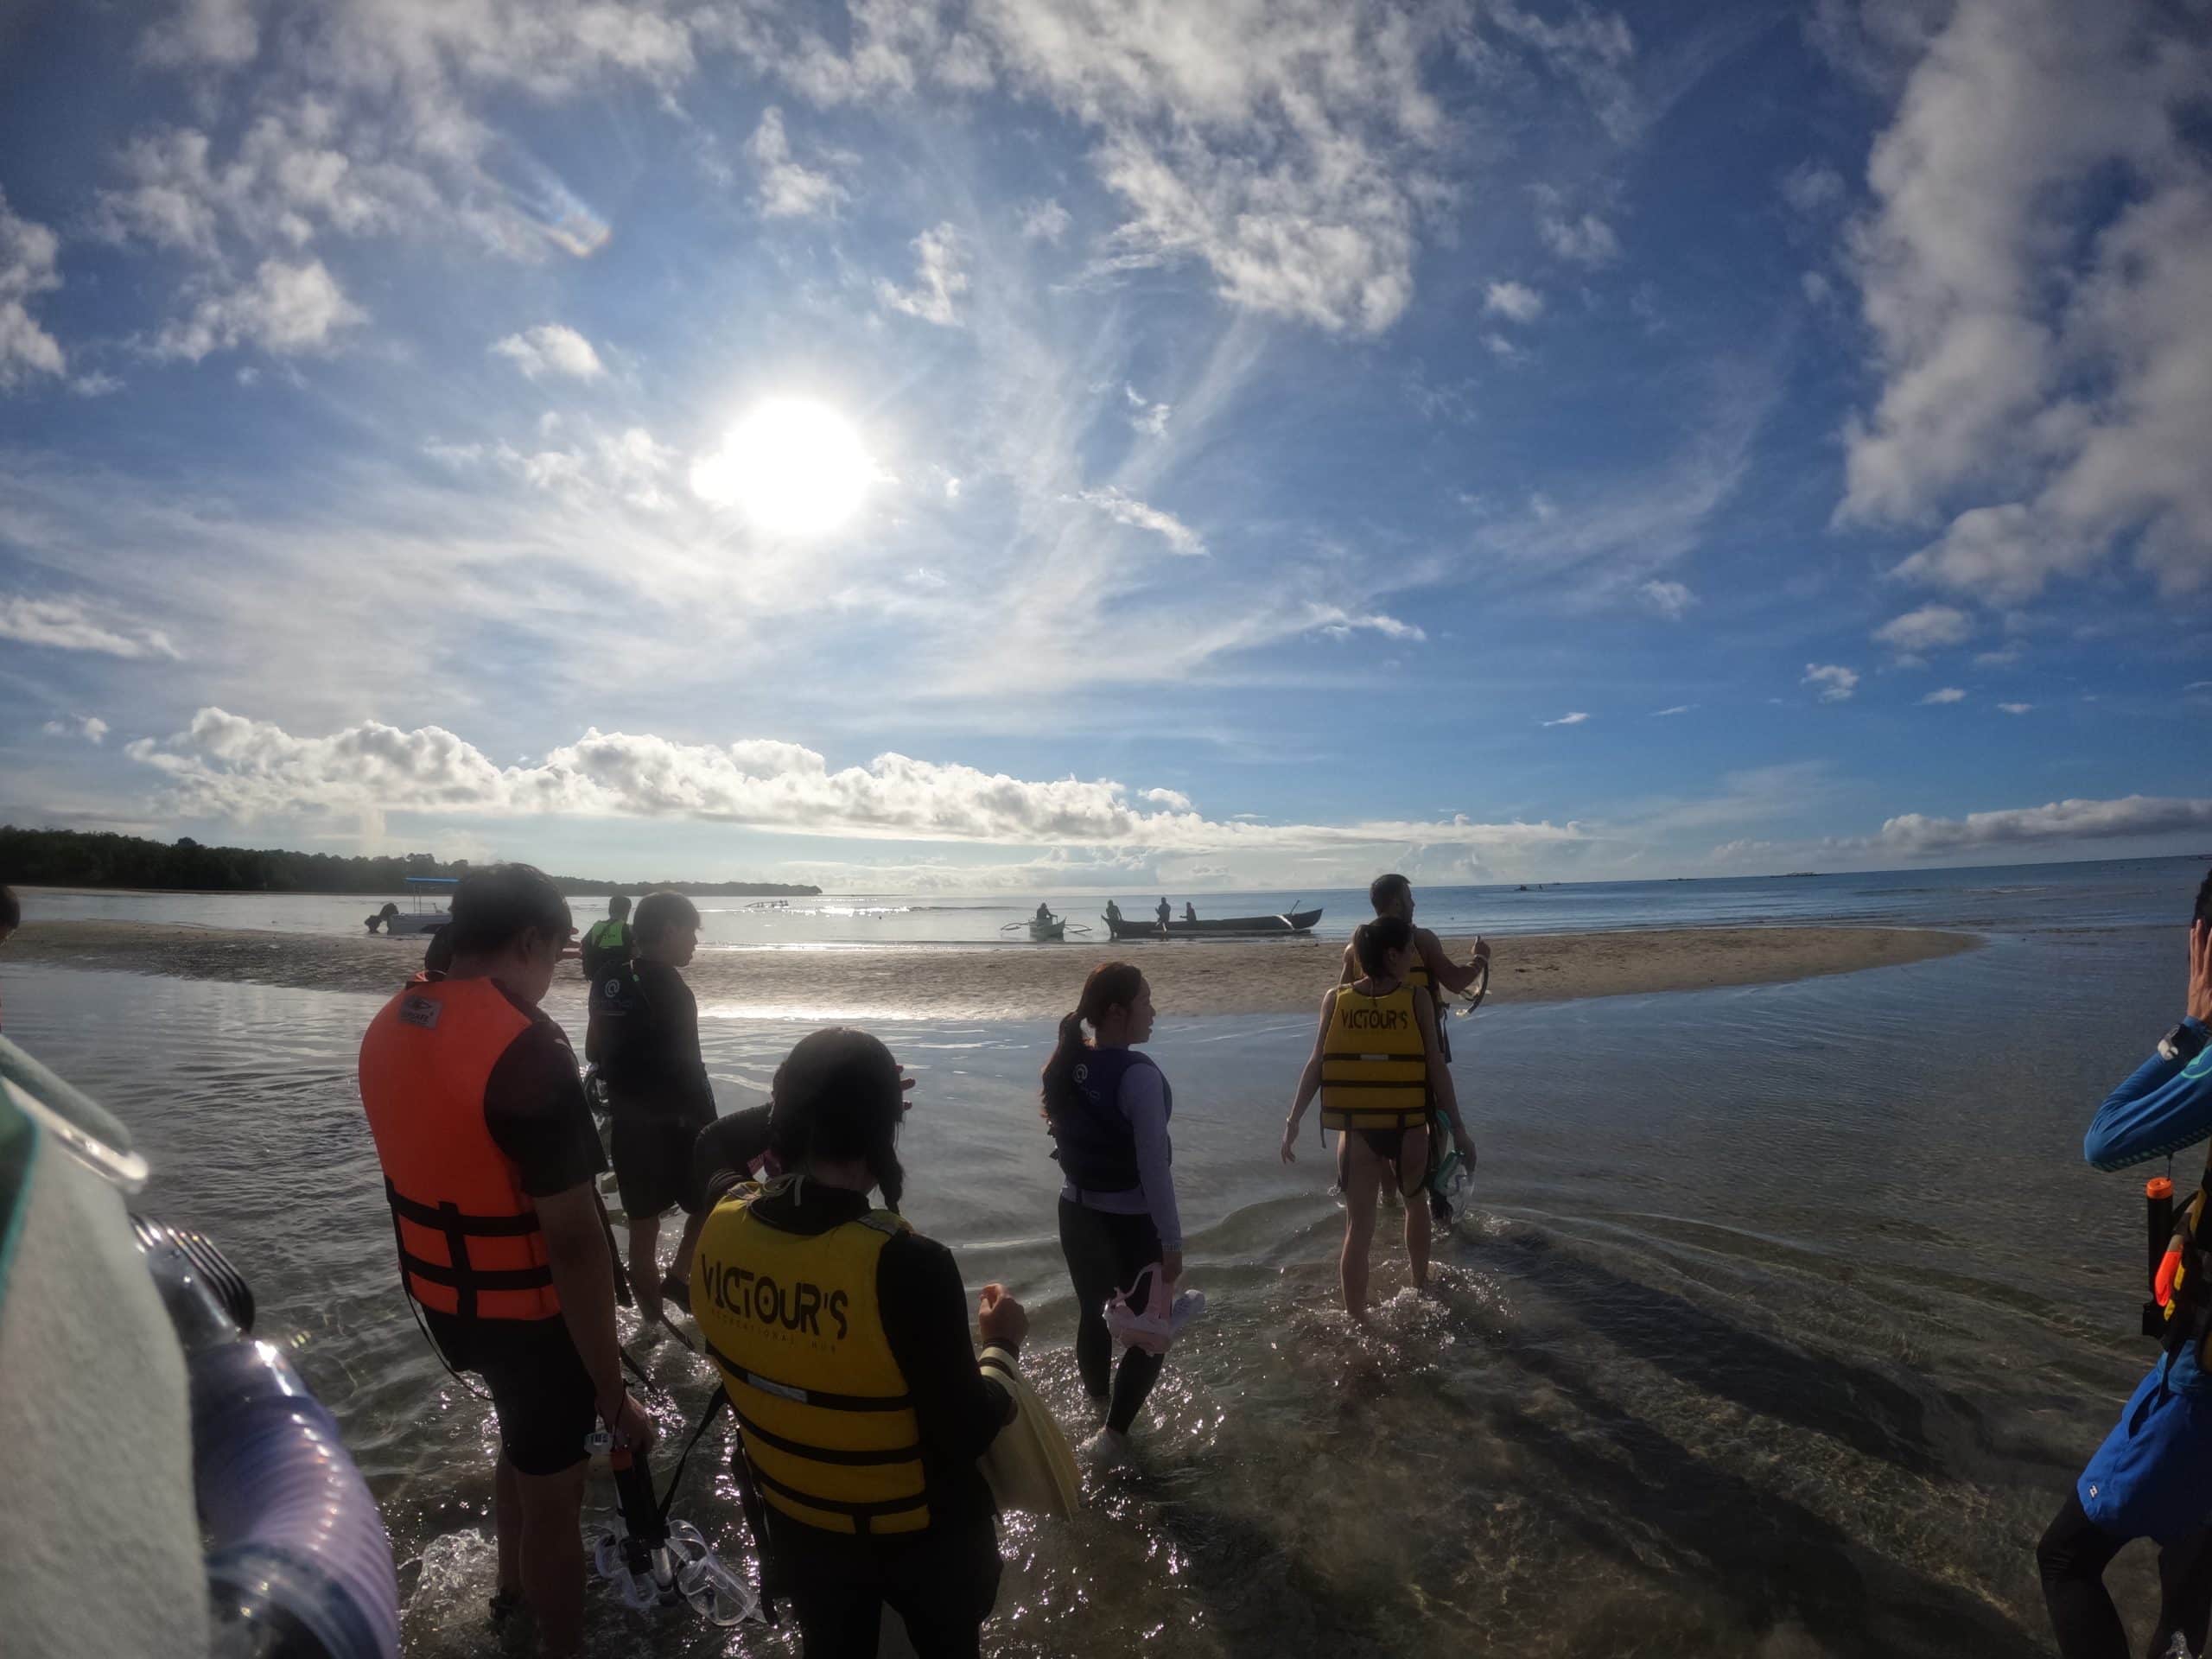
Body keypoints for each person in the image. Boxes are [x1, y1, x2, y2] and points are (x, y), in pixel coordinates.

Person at [356, 863, 651, 1659]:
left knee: (522, 1444)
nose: (555, 976)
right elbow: (576, 1241)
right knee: (557, 1504)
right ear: (529, 941)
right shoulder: (527, 1050)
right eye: (557, 956)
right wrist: (613, 1393)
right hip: (527, 1321)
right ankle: (558, 1647)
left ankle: (506, 1598)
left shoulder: (396, 1017)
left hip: (447, 1305)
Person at [691, 1027, 1027, 1657]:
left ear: (783, 1121)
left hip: (803, 1532)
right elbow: (965, 1430)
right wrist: (1002, 1349)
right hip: (918, 1545)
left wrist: (811, 1098)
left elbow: (712, 1143)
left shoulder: (725, 1213)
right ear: (881, 1131)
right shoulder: (908, 1264)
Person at [2038, 873, 2212, 1659]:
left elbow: (2104, 1138)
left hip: (2202, 1384)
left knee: (2067, 1556)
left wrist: (2192, 1028)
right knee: (2192, 1557)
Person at [1281, 914, 1476, 1319]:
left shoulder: (1335, 999)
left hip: (1358, 1131)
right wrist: (1458, 1127)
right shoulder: (1416, 998)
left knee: (1358, 1227)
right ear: (1391, 954)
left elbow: (1316, 1063)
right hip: (1407, 1128)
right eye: (1409, 950)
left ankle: (1357, 1321)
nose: (1412, 957)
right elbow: (1436, 1066)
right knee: (1415, 1204)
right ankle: (1419, 1290)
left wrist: (1293, 1121)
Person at [1040, 963, 1182, 1461]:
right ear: (1118, 1012)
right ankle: (1113, 1437)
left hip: (1076, 1214)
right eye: (1146, 1001)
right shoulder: (1138, 1076)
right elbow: (1154, 1169)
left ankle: (1094, 1405)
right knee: (1151, 1332)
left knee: (1091, 1313)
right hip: (1131, 1223)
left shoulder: (1069, 1064)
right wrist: (1171, 1242)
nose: (1154, 1011)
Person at [590, 889, 716, 1324]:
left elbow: (594, 1050)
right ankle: (680, 1276)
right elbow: (690, 1071)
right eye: (692, 933)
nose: (695, 943)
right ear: (670, 930)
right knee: (713, 1201)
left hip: (628, 1128)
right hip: (676, 1127)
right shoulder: (675, 990)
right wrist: (712, 1132)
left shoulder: (608, 979)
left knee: (642, 1234)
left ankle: (649, 1329)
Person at [1338, 874, 1491, 1219]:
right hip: (1421, 1049)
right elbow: (1455, 981)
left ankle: (1389, 1204)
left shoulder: (1355, 947)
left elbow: (1345, 1001)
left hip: (1371, 1055)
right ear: (1395, 902)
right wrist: (1481, 959)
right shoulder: (1420, 940)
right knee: (1428, 1123)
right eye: (1409, 897)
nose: (1414, 903)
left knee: (1378, 1120)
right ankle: (1430, 1201)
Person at [580, 894, 634, 980]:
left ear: (609, 910)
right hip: (618, 976)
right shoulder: (627, 929)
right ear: (627, 911)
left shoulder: (598, 926)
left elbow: (584, 945)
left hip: (596, 974)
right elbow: (634, 952)